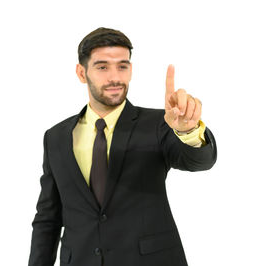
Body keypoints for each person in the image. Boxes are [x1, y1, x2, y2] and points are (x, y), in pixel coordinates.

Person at [28, 27, 217, 266]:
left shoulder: (159, 124)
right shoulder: (56, 137)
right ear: (81, 72)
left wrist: (187, 130)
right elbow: (48, 217)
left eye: (122, 66)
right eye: (102, 67)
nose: (115, 77)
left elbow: (199, 161)